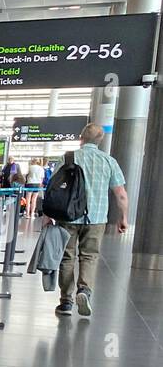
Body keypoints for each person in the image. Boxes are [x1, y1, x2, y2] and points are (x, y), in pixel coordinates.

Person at [48, 124, 128, 318]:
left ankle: (66, 302)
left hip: (68, 216)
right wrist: (123, 217)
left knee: (67, 257)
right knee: (89, 256)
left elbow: (52, 188)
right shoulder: (108, 161)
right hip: (96, 218)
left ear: (81, 138)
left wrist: (47, 215)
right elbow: (121, 194)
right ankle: (84, 291)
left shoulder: (68, 158)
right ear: (99, 141)